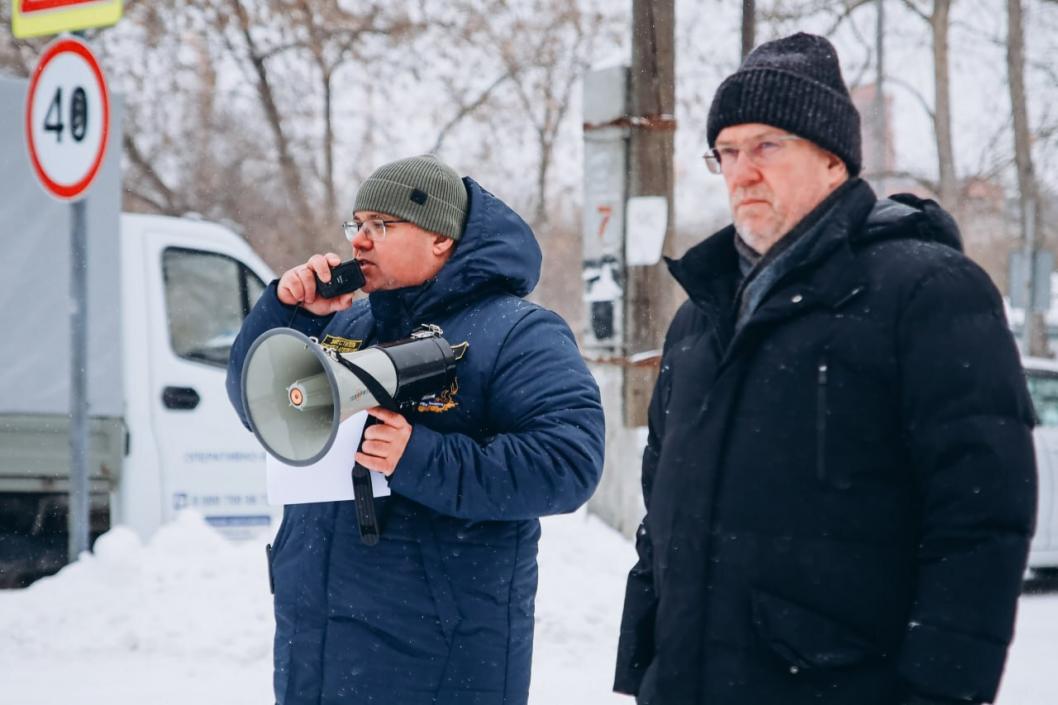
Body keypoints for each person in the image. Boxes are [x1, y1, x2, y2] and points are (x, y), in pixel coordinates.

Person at [614, 32, 1037, 705]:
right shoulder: (699, 317)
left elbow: (980, 522)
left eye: (766, 146)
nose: (740, 171)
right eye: (726, 151)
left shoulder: (927, 293)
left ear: (834, 159)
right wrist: (646, 665)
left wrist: (940, 692)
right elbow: (661, 510)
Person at [226, 154, 605, 705]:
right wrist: (286, 316)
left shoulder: (517, 332)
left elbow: (569, 463)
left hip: (440, 661)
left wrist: (419, 458)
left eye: (382, 225)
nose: (360, 240)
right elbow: (257, 406)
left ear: (441, 240)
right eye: (356, 224)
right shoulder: (345, 324)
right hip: (320, 651)